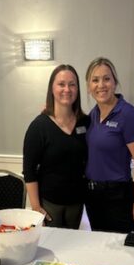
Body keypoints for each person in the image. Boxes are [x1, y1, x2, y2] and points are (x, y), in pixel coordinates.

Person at [85, 57, 134, 233]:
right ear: (89, 87)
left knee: (121, 247)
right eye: (95, 80)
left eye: (106, 79)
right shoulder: (92, 115)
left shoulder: (129, 115)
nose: (101, 85)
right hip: (93, 196)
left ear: (114, 83)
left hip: (118, 196)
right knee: (99, 244)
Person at [23, 64, 89, 229]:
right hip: (49, 204)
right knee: (51, 244)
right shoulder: (39, 126)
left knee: (73, 242)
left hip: (77, 203)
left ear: (77, 89)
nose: (67, 89)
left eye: (72, 84)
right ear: (52, 89)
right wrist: (36, 207)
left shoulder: (86, 123)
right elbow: (29, 171)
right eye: (61, 84)